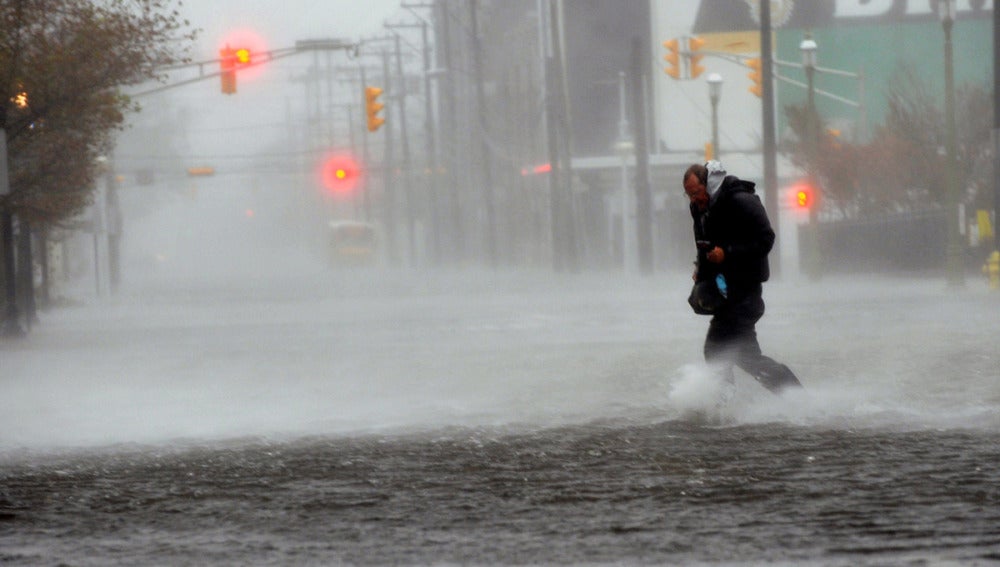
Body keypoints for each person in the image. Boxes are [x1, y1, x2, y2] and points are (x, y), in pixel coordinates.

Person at [683, 161, 802, 394]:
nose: (693, 199)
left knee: (717, 349)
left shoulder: (741, 201)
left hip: (746, 291)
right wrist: (702, 270)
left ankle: (721, 405)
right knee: (745, 356)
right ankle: (792, 396)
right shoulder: (698, 208)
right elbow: (704, 244)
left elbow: (766, 239)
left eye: (696, 193)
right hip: (725, 291)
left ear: (709, 184)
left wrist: (727, 252)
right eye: (688, 195)